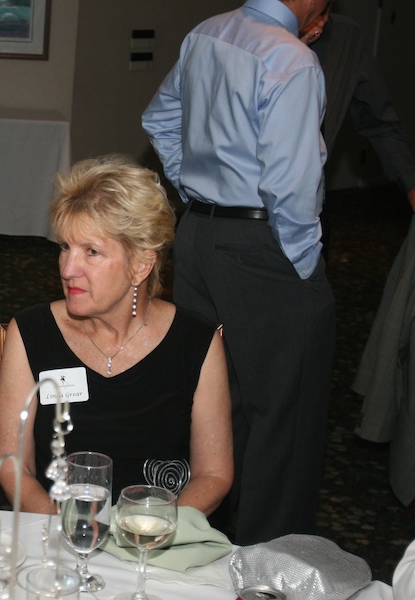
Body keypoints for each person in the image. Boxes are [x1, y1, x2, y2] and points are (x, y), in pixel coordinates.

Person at [141, 0, 335, 545]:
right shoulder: (291, 59)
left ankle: (208, 545)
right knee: (284, 413)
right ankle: (271, 565)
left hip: (201, 235)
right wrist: (304, 260)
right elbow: (291, 182)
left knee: (215, 400)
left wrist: (196, 192)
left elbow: (158, 118)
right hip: (263, 244)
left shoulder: (208, 33)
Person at [0, 154, 233, 516]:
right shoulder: (30, 334)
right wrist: (69, 528)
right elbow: (14, 467)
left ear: (140, 265)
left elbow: (213, 475)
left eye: (91, 252)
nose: (68, 268)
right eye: (64, 247)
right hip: (54, 531)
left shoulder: (196, 344)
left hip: (157, 536)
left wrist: (149, 532)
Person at [300, 9, 415, 258]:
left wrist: (411, 182)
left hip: (312, 213)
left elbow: (380, 122)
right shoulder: (251, 33)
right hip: (246, 215)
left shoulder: (346, 37)